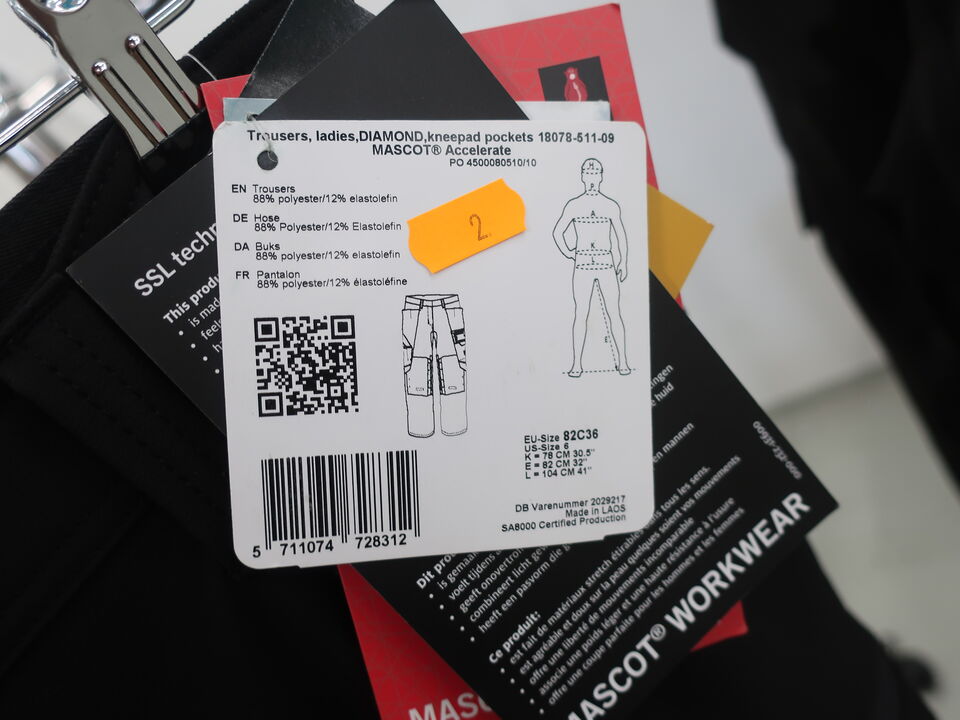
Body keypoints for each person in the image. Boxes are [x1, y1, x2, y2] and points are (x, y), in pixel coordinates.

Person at [552, 158, 631, 377]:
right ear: (583, 176)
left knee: (614, 312)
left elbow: (621, 234)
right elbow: (557, 232)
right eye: (588, 173)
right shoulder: (574, 205)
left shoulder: (611, 205)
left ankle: (623, 362)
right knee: (581, 314)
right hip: (583, 263)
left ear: (601, 176)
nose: (592, 177)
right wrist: (569, 252)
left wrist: (623, 261)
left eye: (595, 173)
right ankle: (577, 364)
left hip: (606, 263)